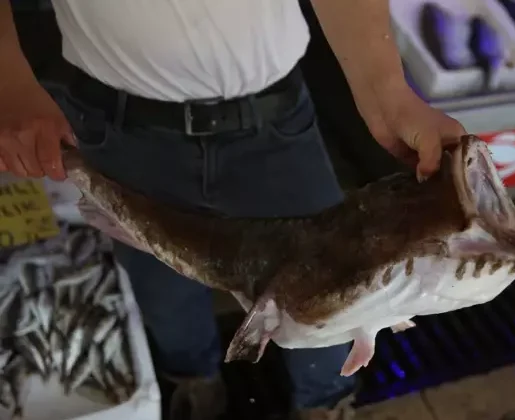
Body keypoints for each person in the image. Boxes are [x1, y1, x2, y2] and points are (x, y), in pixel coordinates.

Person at [0, 1, 466, 419]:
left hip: (274, 120)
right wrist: (8, 77)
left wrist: (389, 90)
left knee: (338, 292)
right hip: (117, 127)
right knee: (163, 292)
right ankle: (193, 385)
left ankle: (324, 401)